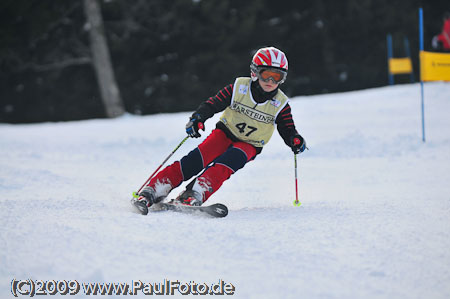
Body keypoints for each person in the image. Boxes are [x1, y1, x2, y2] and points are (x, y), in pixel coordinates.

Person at [136, 46, 307, 209]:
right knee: (195, 161)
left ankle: (195, 193)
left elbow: (287, 127)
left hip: (250, 144)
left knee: (226, 164)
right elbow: (213, 104)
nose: (270, 81)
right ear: (255, 73)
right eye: (266, 75)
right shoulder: (239, 88)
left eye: (276, 77)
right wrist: (198, 118)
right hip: (224, 133)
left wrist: (294, 139)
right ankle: (154, 188)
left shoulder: (280, 104)